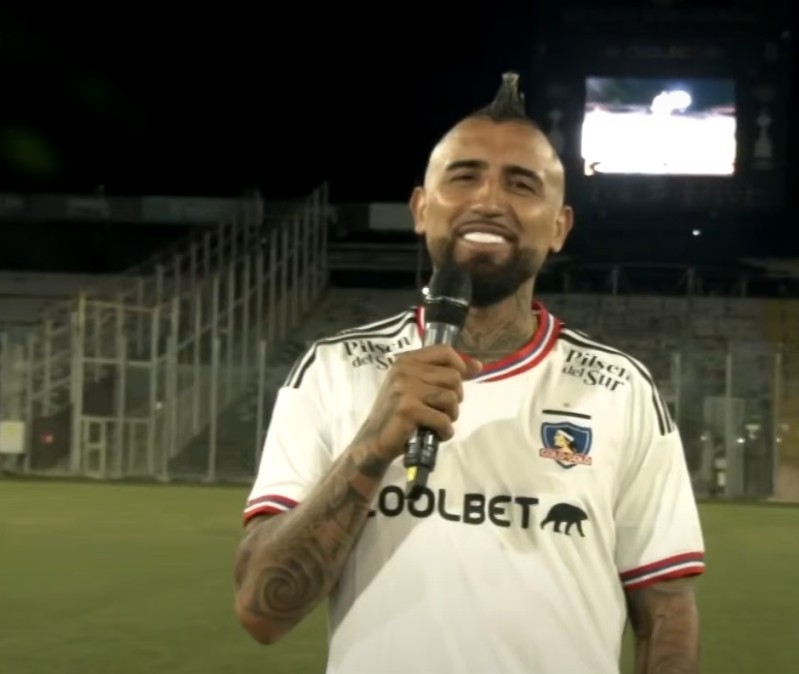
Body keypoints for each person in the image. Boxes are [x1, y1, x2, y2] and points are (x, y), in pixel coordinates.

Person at [232, 72, 706, 674]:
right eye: (464, 177)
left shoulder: (622, 388)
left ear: (558, 227)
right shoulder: (334, 369)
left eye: (521, 183)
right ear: (421, 209)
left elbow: (665, 608)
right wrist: (372, 445)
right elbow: (263, 613)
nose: (489, 200)